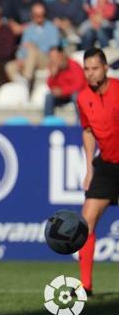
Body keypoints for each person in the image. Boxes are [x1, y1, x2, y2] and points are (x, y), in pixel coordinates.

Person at [75, 48, 119, 296]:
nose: (90, 73)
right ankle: (85, 286)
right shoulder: (83, 98)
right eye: (86, 69)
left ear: (105, 68)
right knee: (86, 223)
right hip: (106, 166)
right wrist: (89, 168)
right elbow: (88, 130)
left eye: (94, 68)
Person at [44, 47, 86, 116]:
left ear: (61, 55)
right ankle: (48, 122)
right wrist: (53, 76)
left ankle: (80, 122)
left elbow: (79, 85)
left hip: (74, 94)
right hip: (62, 96)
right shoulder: (53, 67)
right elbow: (50, 85)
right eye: (51, 57)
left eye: (55, 57)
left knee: (76, 96)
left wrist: (63, 91)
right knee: (49, 97)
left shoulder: (74, 65)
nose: (52, 60)